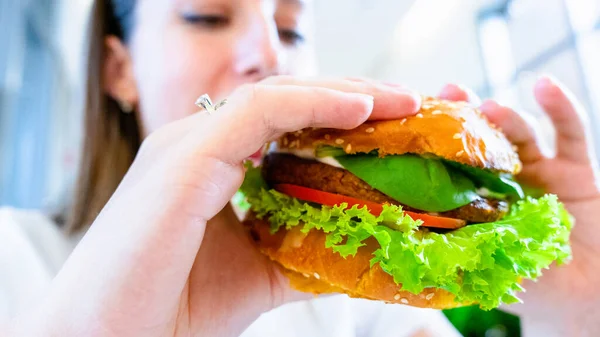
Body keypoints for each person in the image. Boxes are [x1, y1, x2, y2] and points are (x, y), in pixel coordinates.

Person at [2, 0, 599, 336]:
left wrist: (578, 313)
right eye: (207, 16)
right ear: (118, 69)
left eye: (290, 29)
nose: (268, 55)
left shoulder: (359, 285)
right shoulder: (15, 255)